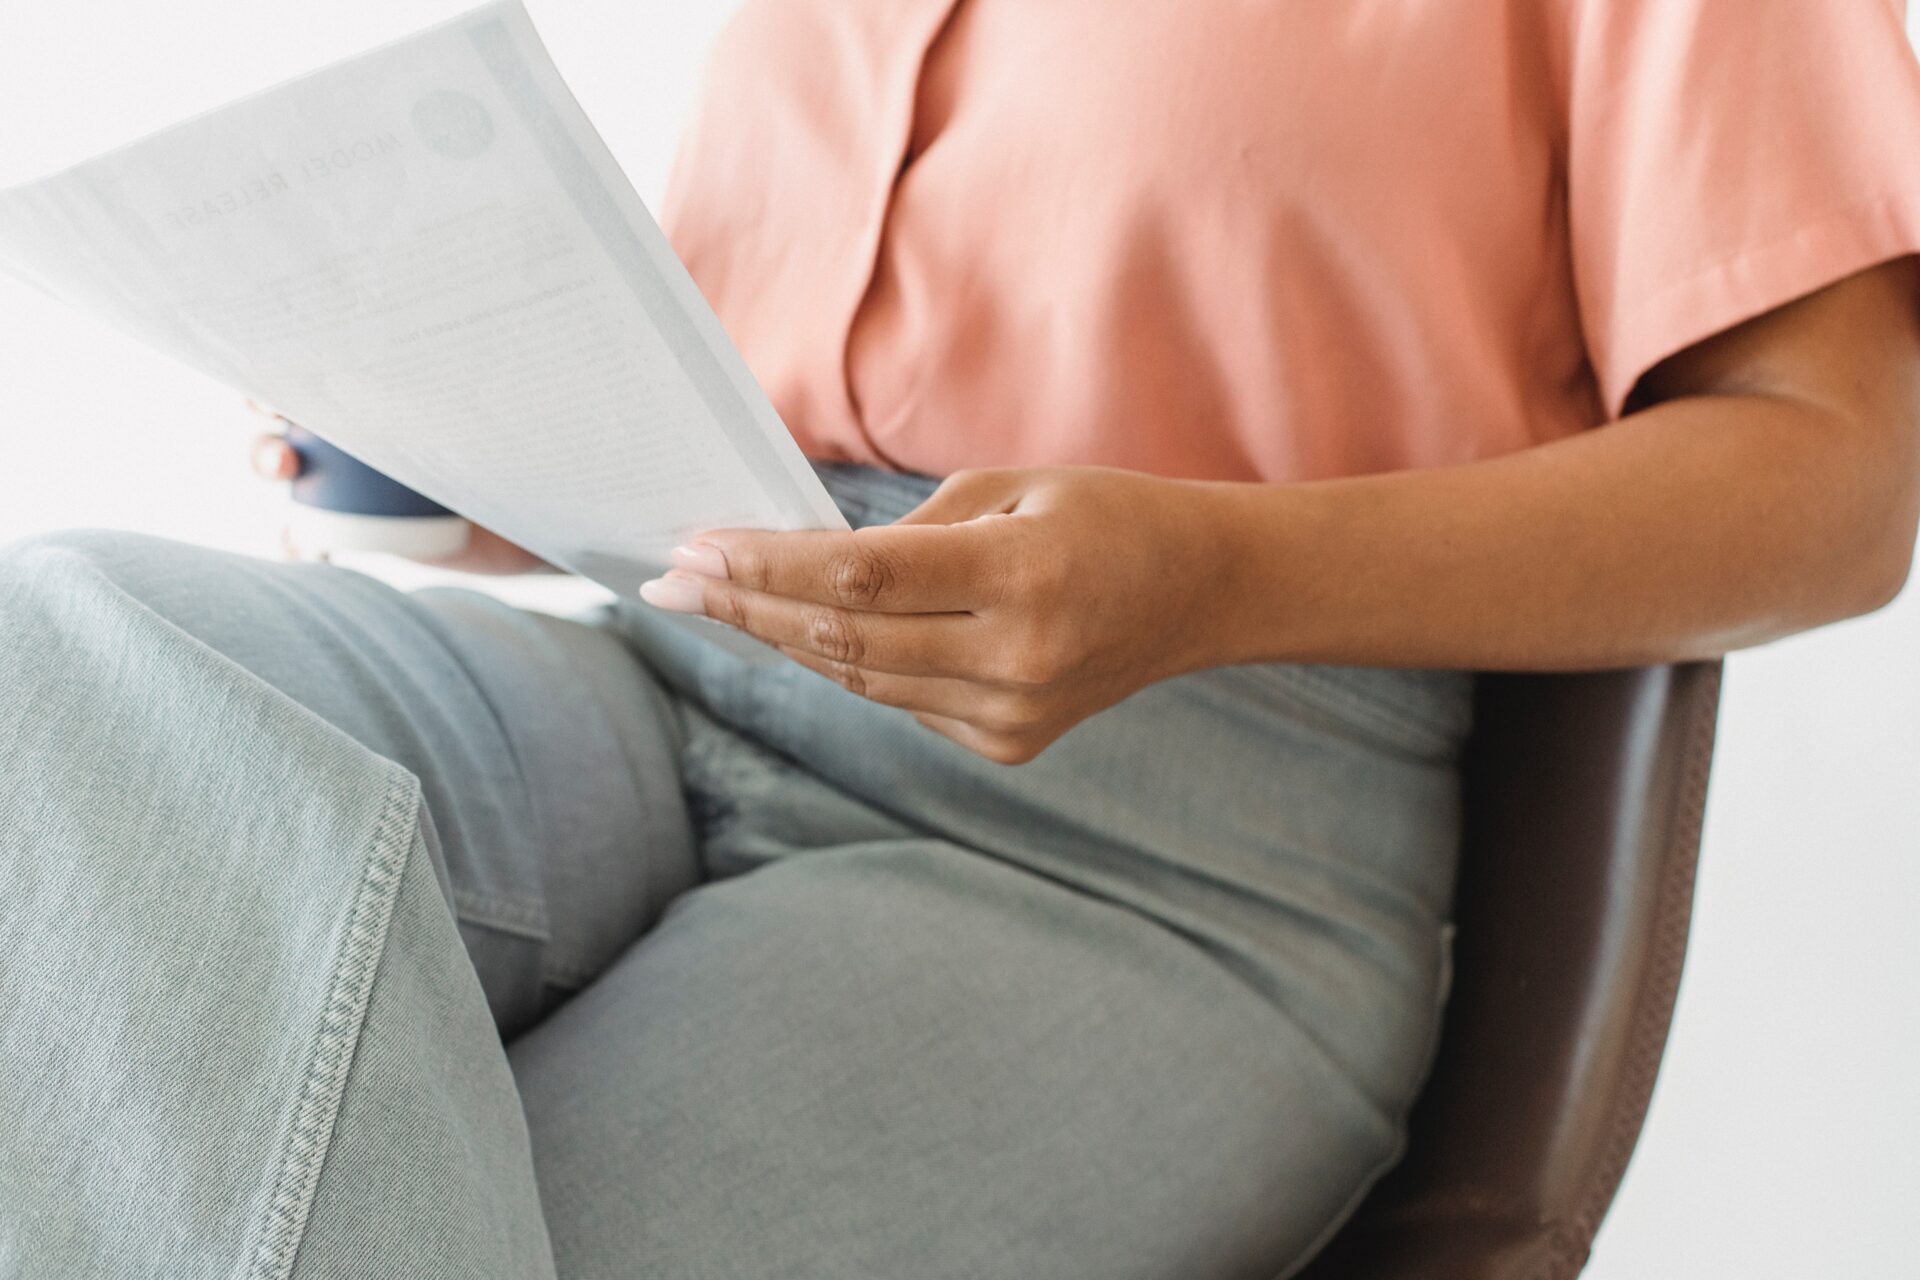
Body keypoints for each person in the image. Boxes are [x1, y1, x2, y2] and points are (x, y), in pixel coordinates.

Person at [5, 2, 1920, 1277]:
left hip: (1158, 856)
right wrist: (453, 450)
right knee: (62, 651)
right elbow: (792, 405)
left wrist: (1220, 576)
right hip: (677, 651)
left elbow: (1842, 484)